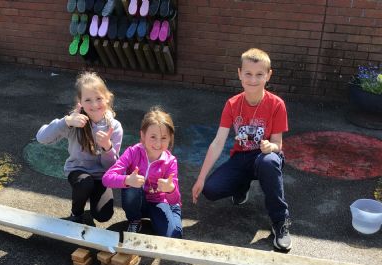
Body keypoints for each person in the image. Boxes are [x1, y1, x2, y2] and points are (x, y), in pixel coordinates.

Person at [191, 48, 292, 251]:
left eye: (259, 74)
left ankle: (280, 221)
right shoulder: (232, 104)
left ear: (268, 75)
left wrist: (270, 146)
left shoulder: (277, 104)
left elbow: (278, 144)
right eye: (248, 74)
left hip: (265, 156)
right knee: (211, 189)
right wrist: (201, 178)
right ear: (239, 73)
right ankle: (241, 186)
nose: (253, 80)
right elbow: (218, 142)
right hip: (242, 157)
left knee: (269, 162)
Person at [36, 71, 123, 225]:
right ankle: (76, 213)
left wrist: (107, 147)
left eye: (98, 98)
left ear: (107, 98)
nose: (94, 104)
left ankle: (93, 199)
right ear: (80, 102)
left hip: (101, 176)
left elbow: (111, 167)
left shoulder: (114, 127)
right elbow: (41, 138)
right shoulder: (74, 121)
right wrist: (66, 121)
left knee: (103, 215)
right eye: (88, 100)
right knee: (85, 183)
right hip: (78, 171)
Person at [102, 107, 182, 238]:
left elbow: (175, 199)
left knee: (174, 236)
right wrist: (127, 180)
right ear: (143, 136)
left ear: (170, 139)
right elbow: (106, 179)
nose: (158, 143)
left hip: (159, 202)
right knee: (132, 186)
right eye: (153, 137)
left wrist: (171, 189)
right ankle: (135, 220)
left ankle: (173, 212)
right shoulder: (132, 152)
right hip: (136, 202)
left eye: (164, 138)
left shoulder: (171, 161)